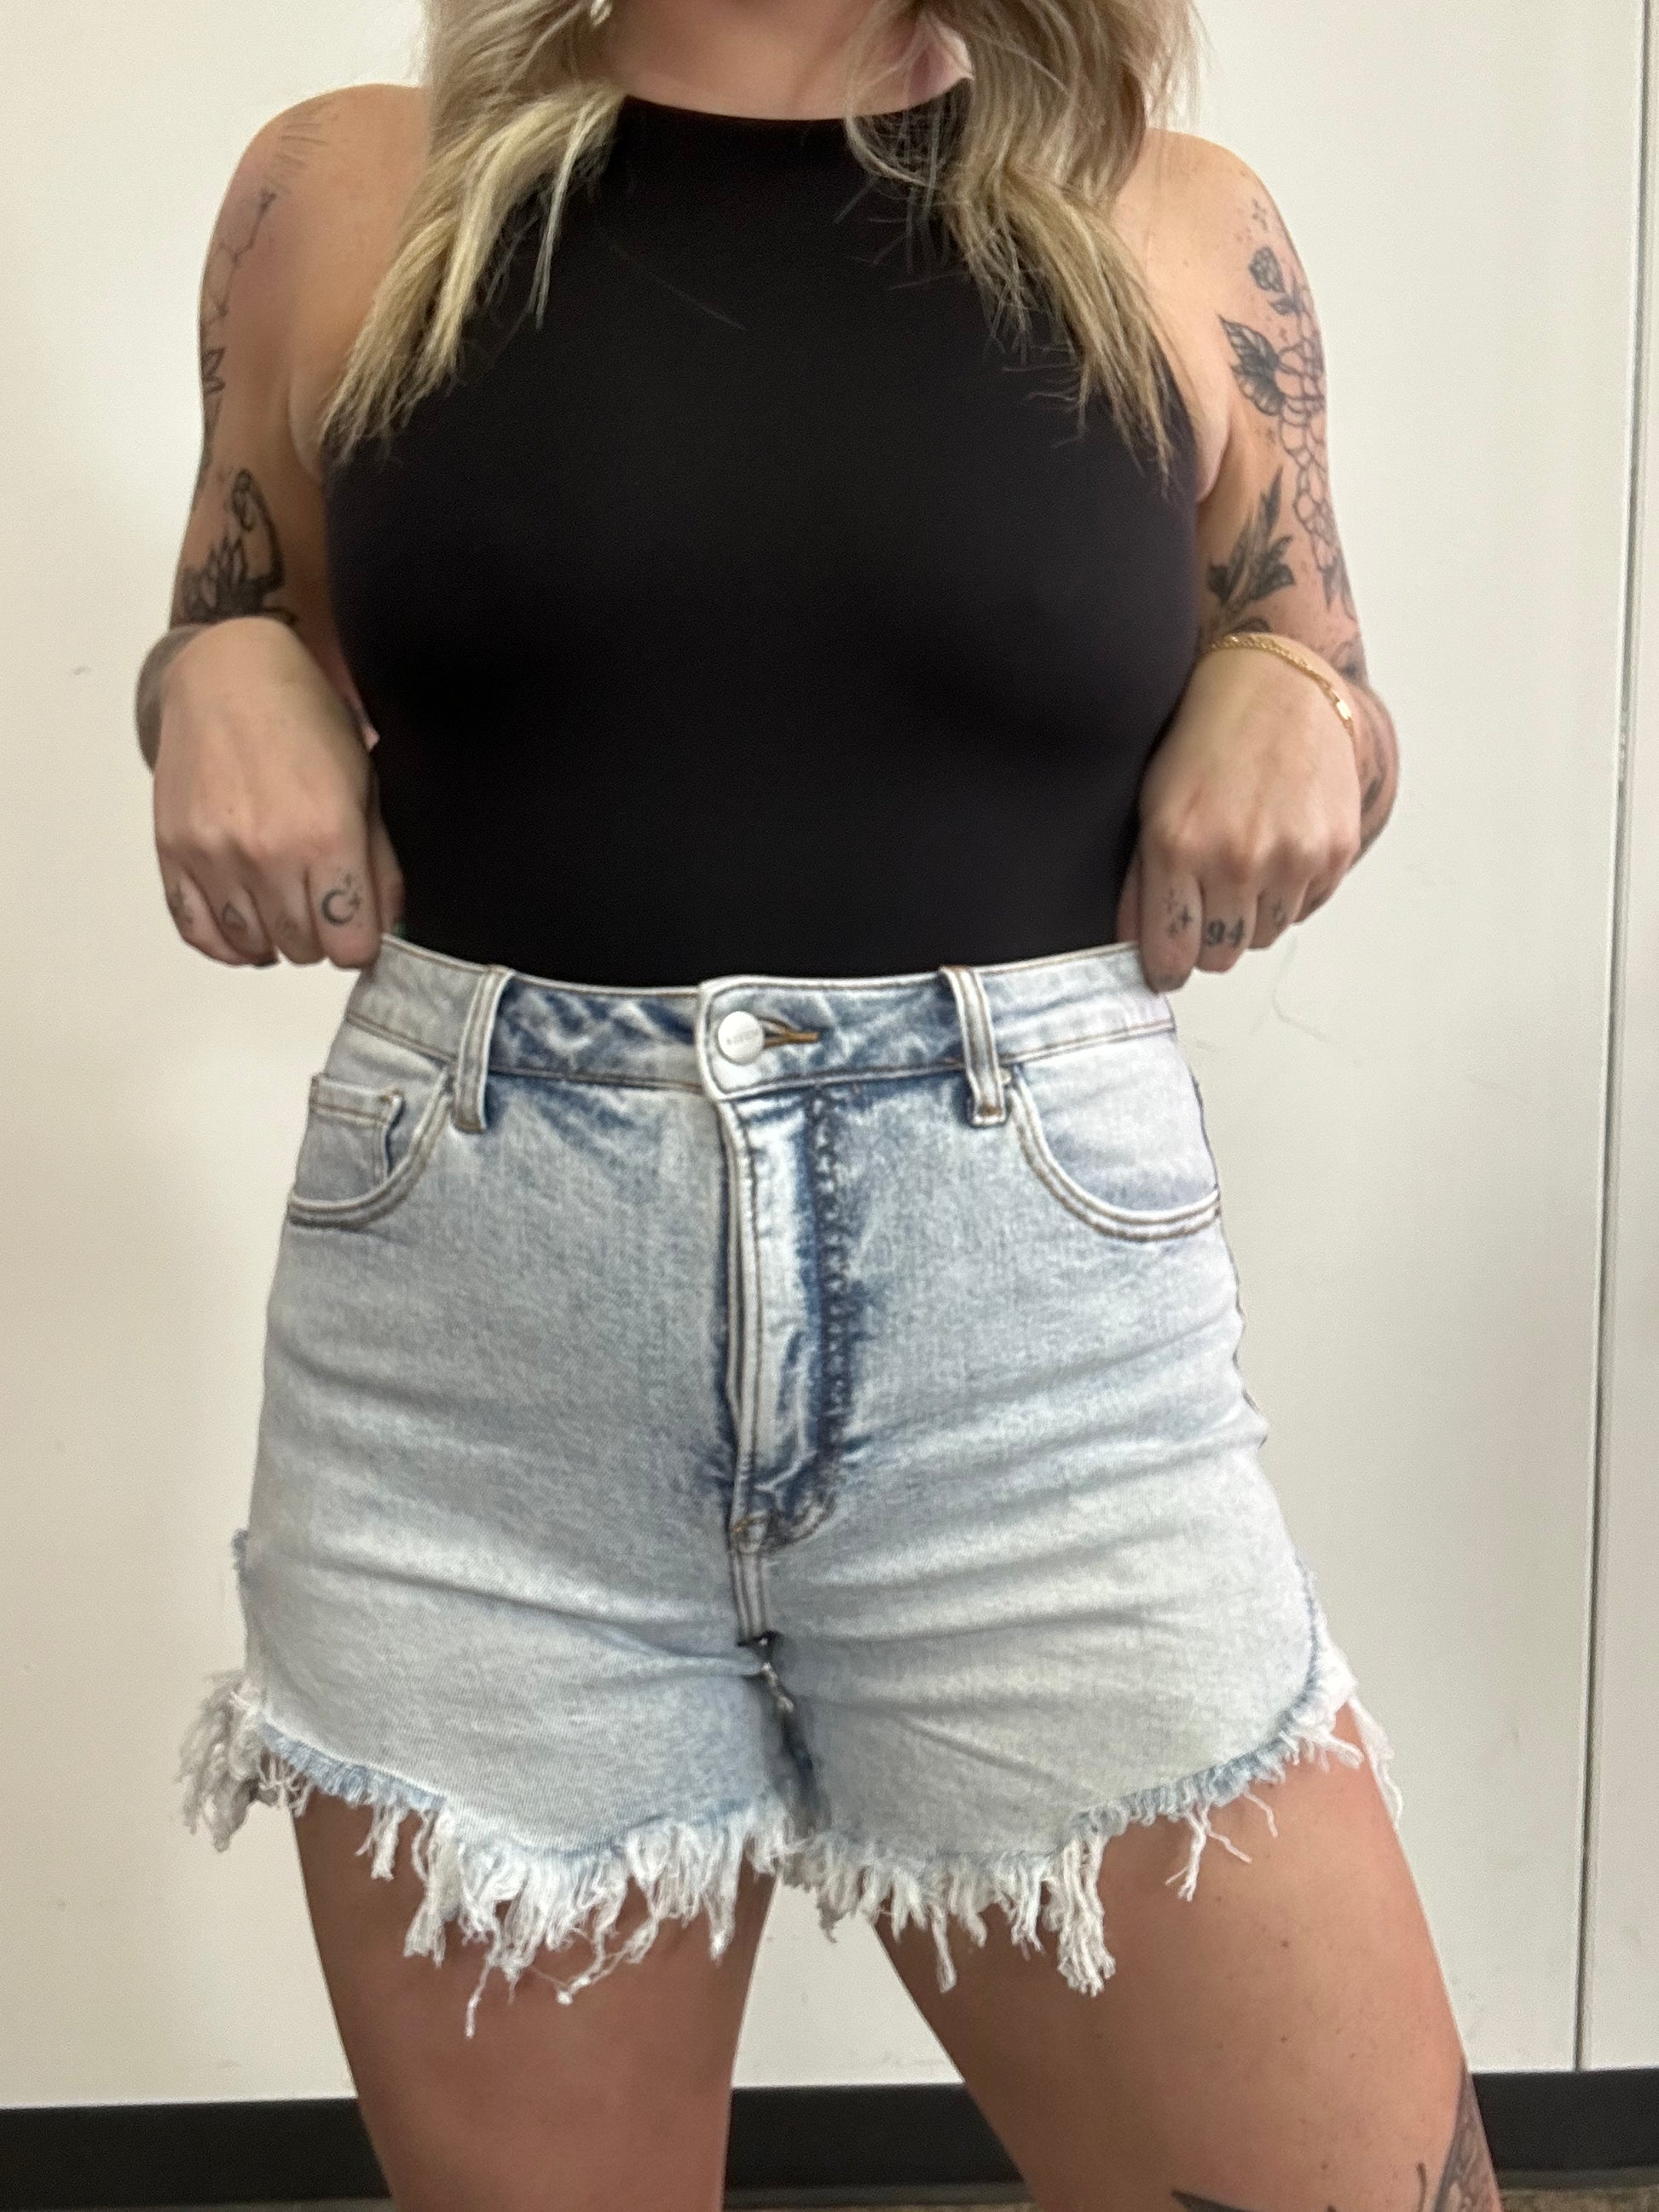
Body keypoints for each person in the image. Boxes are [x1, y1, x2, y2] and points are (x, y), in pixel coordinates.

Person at [138, 0, 1502, 2205]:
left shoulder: (1163, 222)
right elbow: (246, 603)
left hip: (1041, 1395)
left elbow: (1323, 669)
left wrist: (1302, 700)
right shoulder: (355, 195)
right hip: (476, 1399)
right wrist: (211, 664)